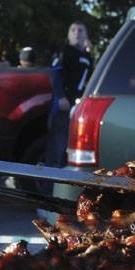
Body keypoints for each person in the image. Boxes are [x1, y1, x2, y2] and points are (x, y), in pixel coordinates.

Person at [42, 21, 93, 173]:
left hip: (78, 108)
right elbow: (55, 74)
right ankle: (47, 188)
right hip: (63, 108)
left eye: (81, 30)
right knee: (57, 148)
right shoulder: (65, 52)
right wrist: (60, 96)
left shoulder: (87, 56)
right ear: (68, 35)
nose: (77, 33)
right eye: (73, 30)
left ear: (86, 35)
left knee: (69, 150)